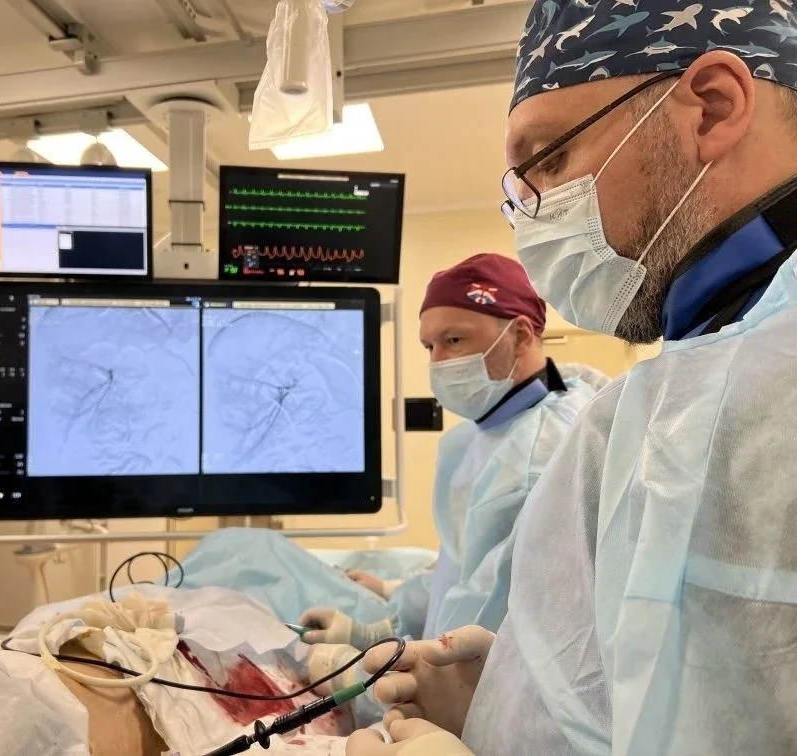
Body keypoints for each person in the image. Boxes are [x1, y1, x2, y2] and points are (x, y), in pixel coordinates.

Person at [348, 1, 797, 754]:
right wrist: (513, 702)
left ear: (713, 107)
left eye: (550, 160)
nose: (533, 218)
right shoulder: (684, 389)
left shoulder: (761, 394)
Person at [299, 254, 607, 653]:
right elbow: (460, 572)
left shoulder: (539, 456)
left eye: (454, 340)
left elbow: (480, 625)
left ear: (520, 335)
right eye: (429, 345)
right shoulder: (487, 434)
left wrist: (360, 669)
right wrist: (378, 630)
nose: (437, 362)